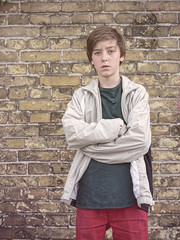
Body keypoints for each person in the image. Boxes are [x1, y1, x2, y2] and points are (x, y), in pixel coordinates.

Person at [61, 26, 153, 240]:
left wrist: (91, 145)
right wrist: (114, 128)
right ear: (91, 59)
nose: (104, 58)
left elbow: (140, 141)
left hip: (131, 198)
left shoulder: (137, 93)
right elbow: (72, 135)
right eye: (97, 52)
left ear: (121, 56)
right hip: (90, 197)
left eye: (111, 51)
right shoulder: (81, 96)